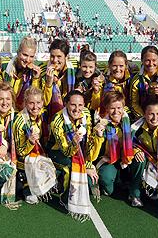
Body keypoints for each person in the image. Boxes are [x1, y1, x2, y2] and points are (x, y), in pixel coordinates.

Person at [47, 90, 94, 221]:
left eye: (80, 105)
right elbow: (66, 151)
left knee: (89, 181)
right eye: (73, 105)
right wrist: (74, 143)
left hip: (78, 150)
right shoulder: (57, 121)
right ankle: (65, 198)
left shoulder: (86, 115)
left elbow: (88, 142)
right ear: (66, 104)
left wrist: (88, 163)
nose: (77, 109)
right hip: (57, 152)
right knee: (70, 166)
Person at [13, 86, 56, 204]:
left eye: (38, 102)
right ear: (25, 103)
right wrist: (30, 142)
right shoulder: (21, 121)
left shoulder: (42, 114)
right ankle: (27, 187)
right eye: (31, 103)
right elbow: (20, 151)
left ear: (42, 102)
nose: (35, 106)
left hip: (38, 149)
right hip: (21, 154)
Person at [39, 39, 79, 120]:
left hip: (70, 112)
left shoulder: (75, 68)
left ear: (66, 57)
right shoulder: (42, 71)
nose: (55, 60)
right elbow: (44, 102)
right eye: (52, 56)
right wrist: (49, 83)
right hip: (49, 114)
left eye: (59, 57)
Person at [130, 46, 158, 120]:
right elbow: (134, 104)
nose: (151, 64)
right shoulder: (137, 80)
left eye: (154, 60)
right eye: (147, 60)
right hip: (143, 117)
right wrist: (144, 117)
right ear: (142, 60)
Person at [2, 36, 43, 111]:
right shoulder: (5, 67)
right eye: (25, 55)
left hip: (22, 114)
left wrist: (35, 78)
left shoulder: (34, 72)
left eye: (31, 57)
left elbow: (34, 97)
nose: (27, 60)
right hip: (4, 110)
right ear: (18, 52)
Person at [91, 50, 137, 115]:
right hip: (107, 117)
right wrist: (96, 91)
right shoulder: (103, 81)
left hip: (130, 116)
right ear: (109, 65)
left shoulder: (132, 80)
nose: (118, 69)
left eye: (121, 66)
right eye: (114, 66)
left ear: (126, 65)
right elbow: (95, 107)